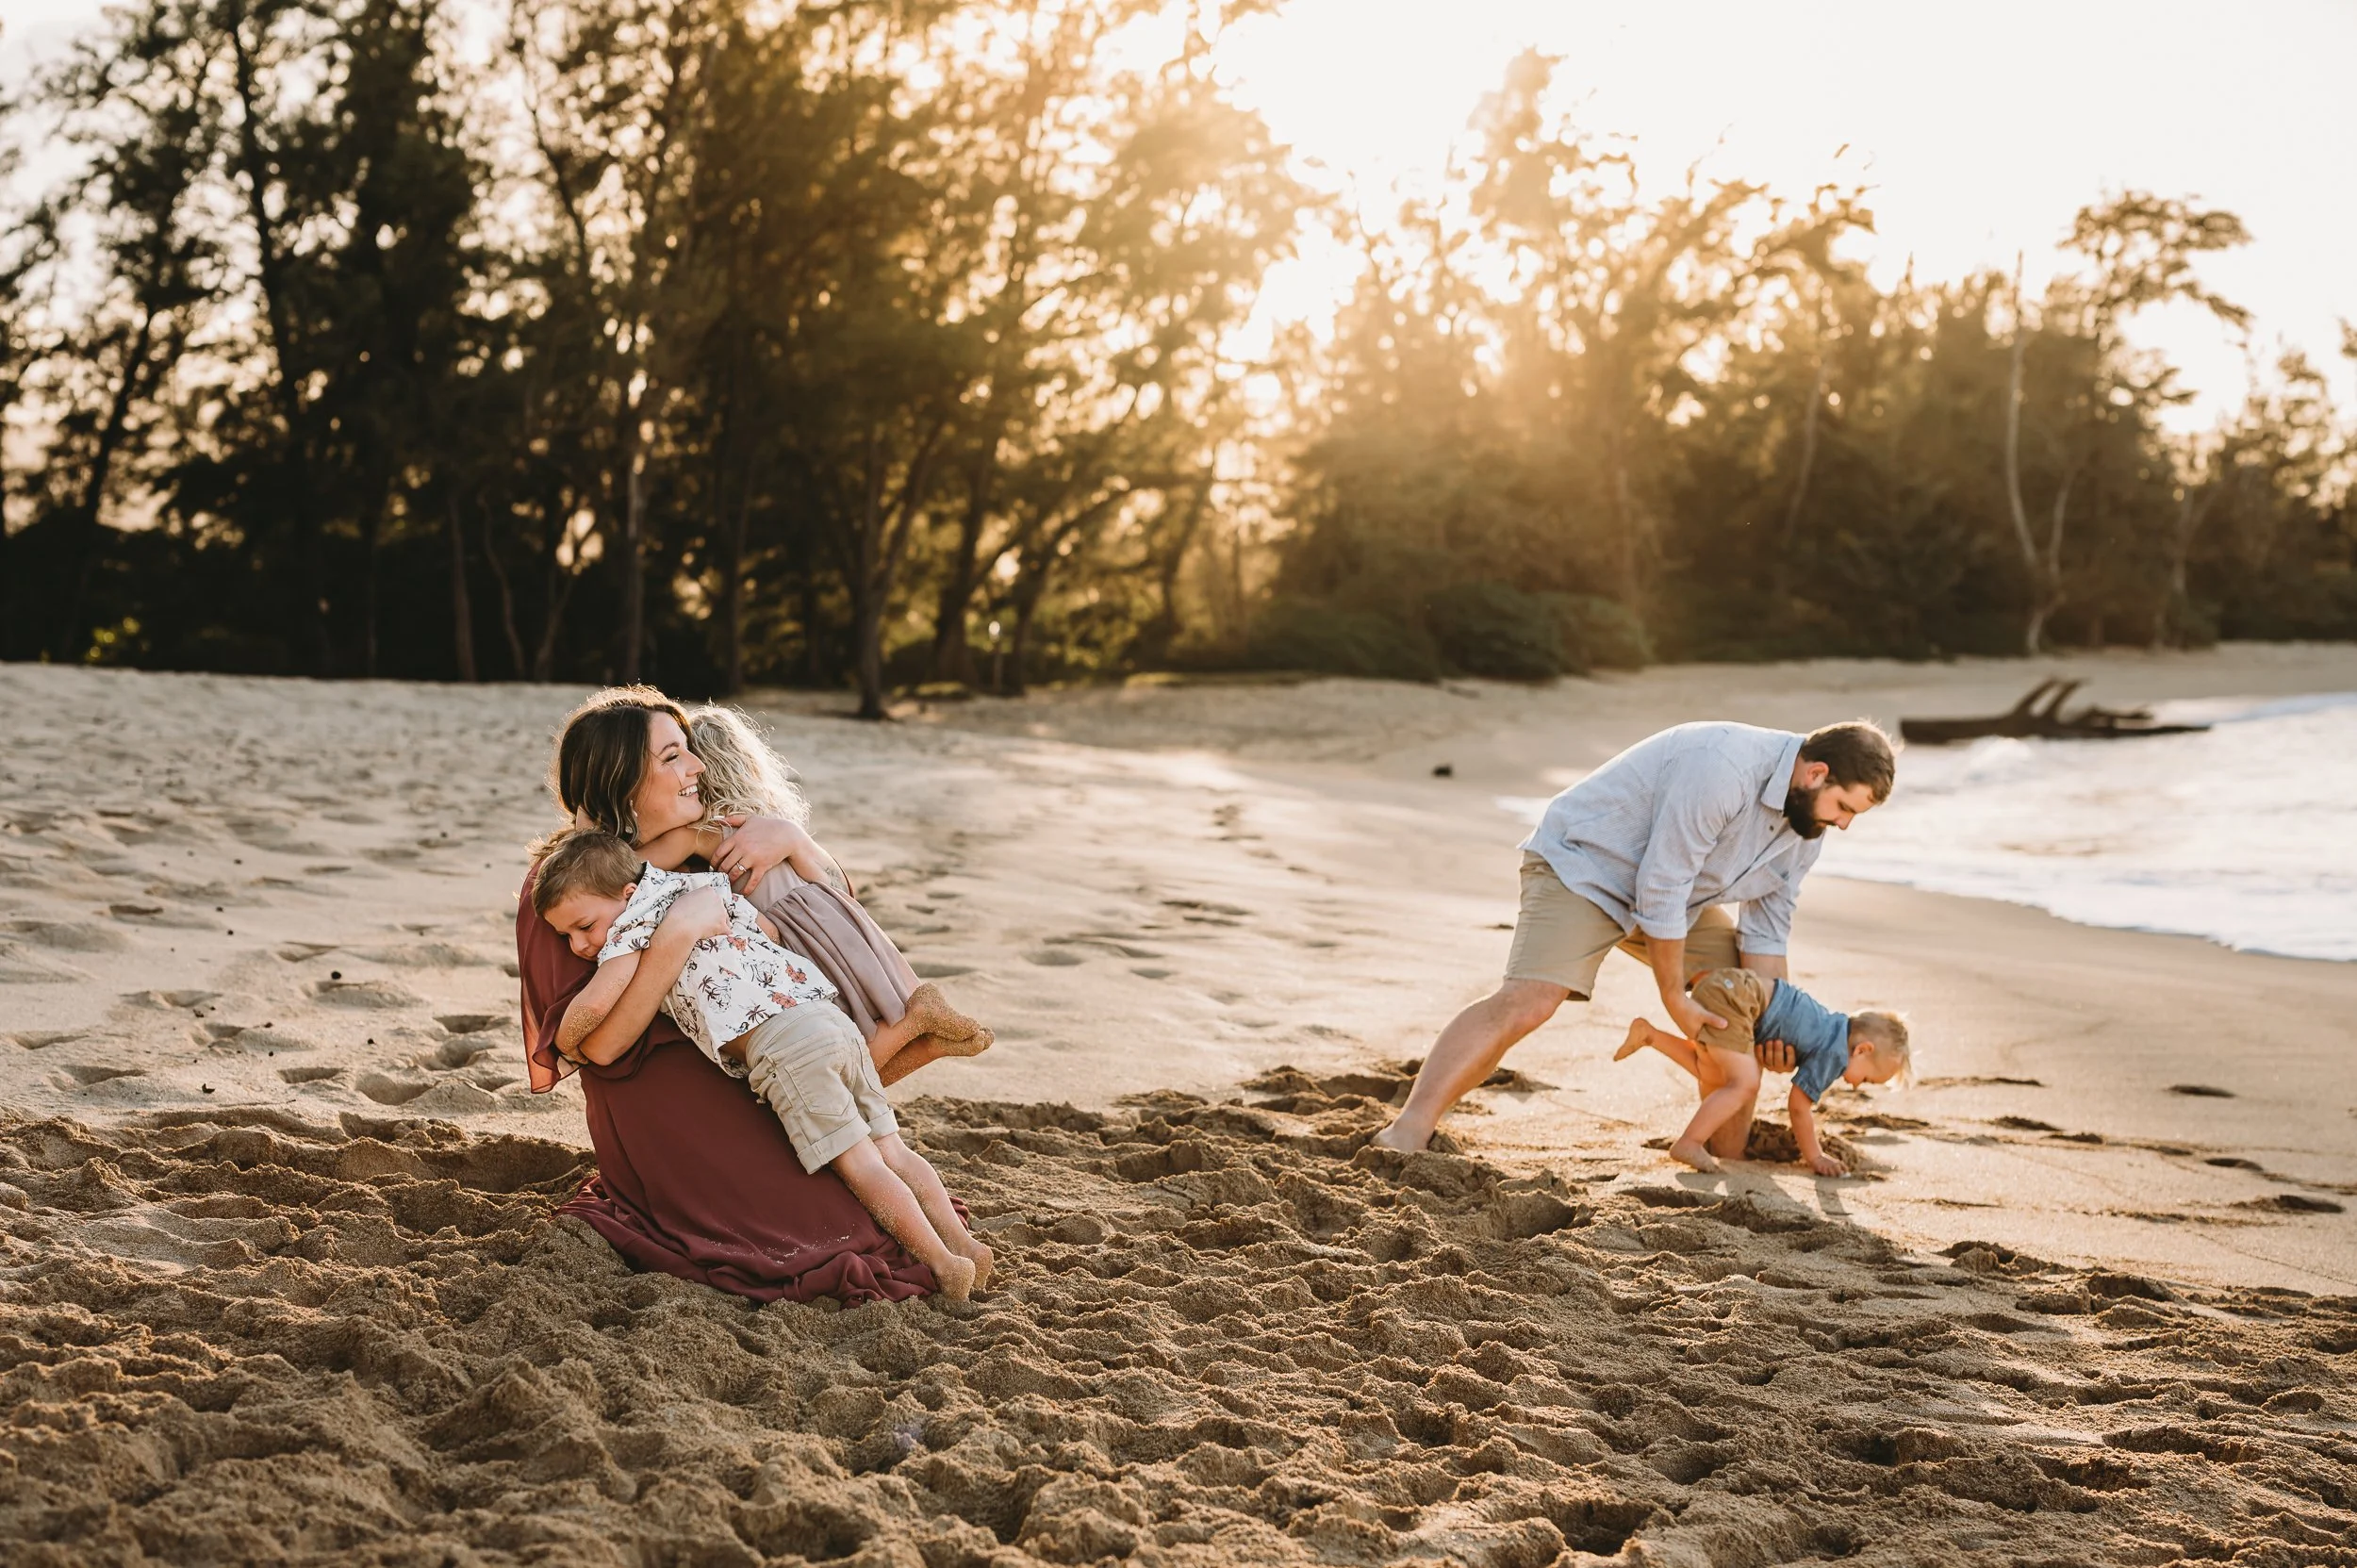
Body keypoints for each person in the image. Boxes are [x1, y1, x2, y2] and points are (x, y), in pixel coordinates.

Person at [518, 685, 972, 1304]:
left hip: (765, 1061)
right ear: (622, 781)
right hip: (675, 1109)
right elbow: (600, 1048)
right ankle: (893, 1049)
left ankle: (895, 1044)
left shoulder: (674, 859)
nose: (696, 766)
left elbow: (824, 919)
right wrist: (678, 932)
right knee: (836, 1212)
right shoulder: (570, 888)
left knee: (860, 1189)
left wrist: (792, 840)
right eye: (673, 756)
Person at [1373, 719, 1896, 1156]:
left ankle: (1729, 1161)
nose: (1845, 825)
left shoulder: (1807, 830)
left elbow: (1767, 929)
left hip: (1678, 899)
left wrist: (1773, 1027)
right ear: (1816, 773)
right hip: (1586, 867)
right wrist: (1673, 998)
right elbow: (1661, 884)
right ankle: (1408, 1130)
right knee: (1529, 1003)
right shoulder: (1726, 768)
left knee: (1742, 1011)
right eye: (1845, 808)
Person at [1616, 966, 1911, 1176]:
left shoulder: (1829, 1025)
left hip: (1726, 986)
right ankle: (1690, 1142)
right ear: (1863, 1050)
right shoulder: (1834, 1052)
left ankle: (1650, 1035)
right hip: (1739, 1000)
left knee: (1711, 1072)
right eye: (1868, 1079)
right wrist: (1815, 1156)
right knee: (1745, 1085)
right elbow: (1798, 1106)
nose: (1858, 1086)